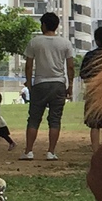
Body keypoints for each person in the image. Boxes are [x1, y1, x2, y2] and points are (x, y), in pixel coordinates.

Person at [22, 11, 74, 160]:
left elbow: (29, 65)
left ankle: (29, 151)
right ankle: (51, 152)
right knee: (55, 119)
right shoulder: (65, 43)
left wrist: (29, 82)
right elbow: (70, 67)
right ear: (56, 26)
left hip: (40, 83)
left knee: (34, 118)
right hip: (58, 83)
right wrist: (70, 85)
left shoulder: (35, 42)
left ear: (43, 25)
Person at [79, 24, 102, 149]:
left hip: (93, 92)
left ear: (96, 40)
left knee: (94, 125)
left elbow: (83, 74)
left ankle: (95, 150)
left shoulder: (90, 56)